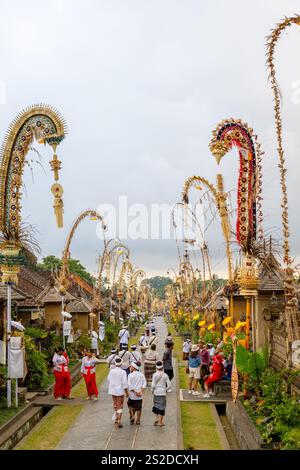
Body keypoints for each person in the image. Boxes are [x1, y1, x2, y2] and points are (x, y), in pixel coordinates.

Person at [107, 357, 128, 428]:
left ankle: (116, 417)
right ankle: (119, 420)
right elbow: (124, 383)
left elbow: (108, 379)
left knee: (115, 404)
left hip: (113, 390)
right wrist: (126, 392)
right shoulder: (123, 372)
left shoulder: (111, 371)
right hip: (120, 391)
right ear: (121, 364)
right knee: (120, 405)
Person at [151, 360, 171, 427]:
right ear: (162, 367)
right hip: (162, 393)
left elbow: (153, 385)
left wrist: (152, 390)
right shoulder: (165, 375)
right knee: (162, 407)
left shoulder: (154, 375)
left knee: (156, 405)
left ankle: (156, 418)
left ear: (156, 367)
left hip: (156, 392)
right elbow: (169, 385)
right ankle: (160, 422)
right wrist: (165, 389)